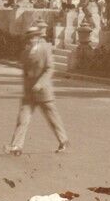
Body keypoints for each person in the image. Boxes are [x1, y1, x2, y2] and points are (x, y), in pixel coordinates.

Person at [7, 22, 69, 156]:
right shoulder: (26, 51)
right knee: (22, 120)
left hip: (43, 91)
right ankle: (16, 146)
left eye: (34, 36)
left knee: (52, 119)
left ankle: (63, 141)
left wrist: (40, 84)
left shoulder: (45, 50)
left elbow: (50, 68)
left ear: (38, 37)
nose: (31, 39)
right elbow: (23, 67)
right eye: (29, 37)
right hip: (29, 93)